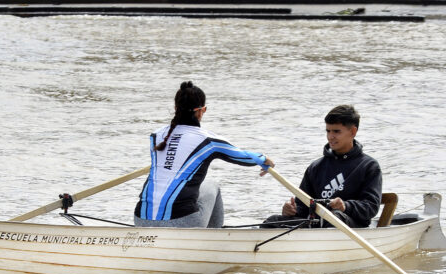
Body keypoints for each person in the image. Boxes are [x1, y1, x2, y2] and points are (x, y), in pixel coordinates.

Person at [134, 81, 275, 228]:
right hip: (183, 222)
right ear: (201, 111)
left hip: (140, 220)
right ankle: (213, 239)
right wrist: (263, 159)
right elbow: (243, 157)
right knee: (212, 186)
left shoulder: (156, 136)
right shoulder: (208, 141)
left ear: (176, 108)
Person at [263, 105, 381, 228]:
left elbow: (371, 207)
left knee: (333, 217)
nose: (330, 136)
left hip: (351, 225)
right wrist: (292, 209)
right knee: (272, 221)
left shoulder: (369, 166)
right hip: (317, 225)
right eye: (328, 131)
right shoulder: (316, 167)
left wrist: (345, 206)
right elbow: (302, 207)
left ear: (352, 132)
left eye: (336, 131)